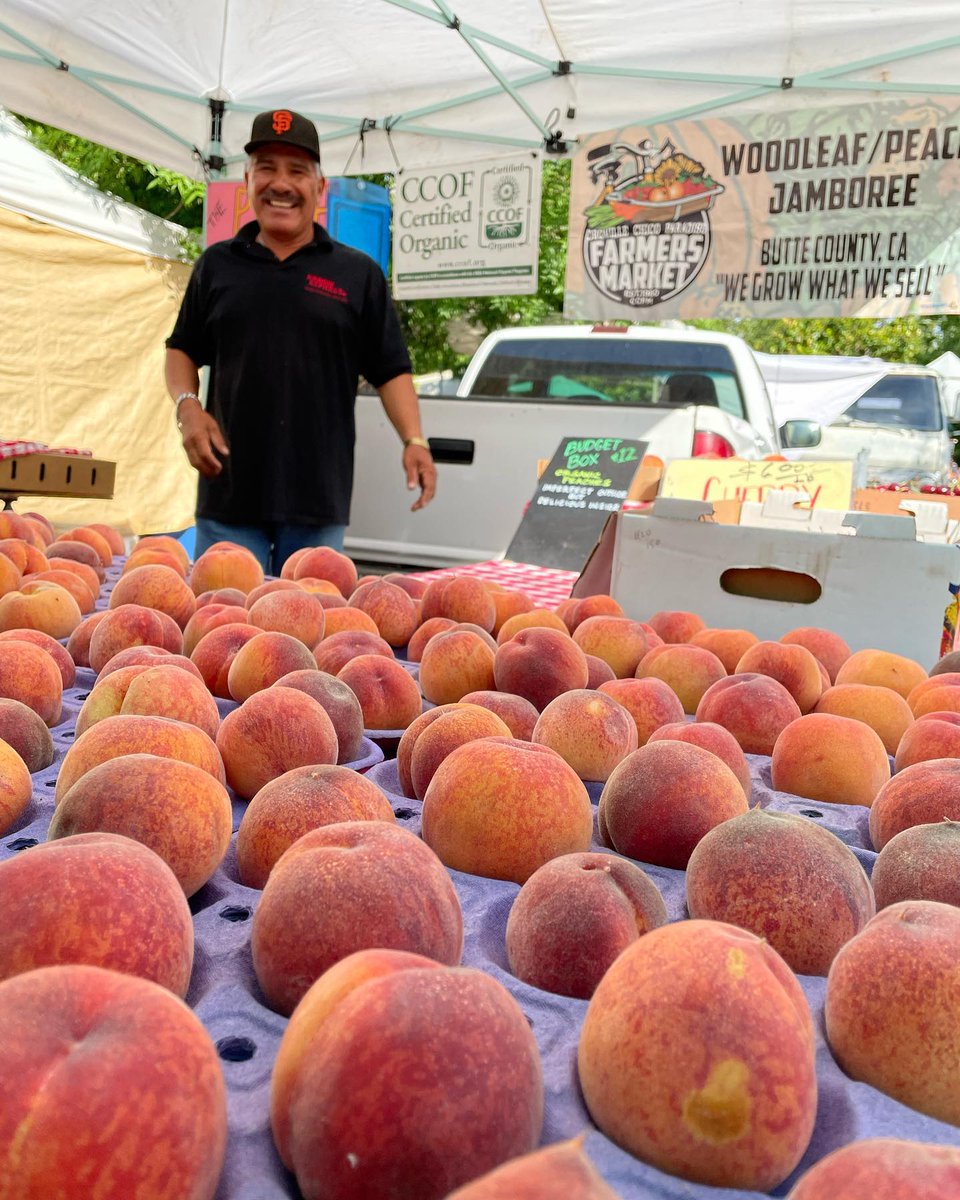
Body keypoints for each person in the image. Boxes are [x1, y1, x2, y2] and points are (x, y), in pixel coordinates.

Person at [164, 108, 436, 574]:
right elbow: (182, 348)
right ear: (248, 180)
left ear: (319, 187)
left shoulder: (357, 274)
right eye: (267, 167)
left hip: (318, 500)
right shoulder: (217, 266)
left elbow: (390, 368)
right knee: (220, 631)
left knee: (305, 638)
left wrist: (414, 440)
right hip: (228, 492)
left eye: (297, 171)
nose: (281, 183)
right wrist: (188, 406)